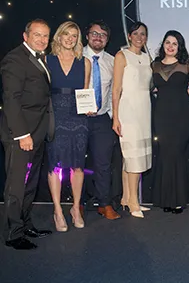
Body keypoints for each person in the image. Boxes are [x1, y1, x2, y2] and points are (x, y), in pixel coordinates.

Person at [0, 19, 54, 250]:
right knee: (16, 186)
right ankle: (13, 234)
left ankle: (25, 224)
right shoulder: (14, 59)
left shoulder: (40, 58)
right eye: (37, 35)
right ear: (25, 36)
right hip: (21, 134)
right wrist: (22, 134)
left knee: (30, 184)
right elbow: (11, 100)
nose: (42, 40)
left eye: (45, 36)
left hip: (38, 131)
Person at [151, 30, 189, 214]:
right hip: (161, 116)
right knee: (166, 155)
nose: (171, 46)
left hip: (182, 116)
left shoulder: (186, 65)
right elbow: (149, 88)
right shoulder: (154, 65)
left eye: (175, 43)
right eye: (168, 42)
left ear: (179, 46)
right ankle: (166, 199)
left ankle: (178, 200)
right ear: (163, 45)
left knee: (178, 155)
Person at [46, 21, 91, 232]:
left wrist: (89, 107)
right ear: (59, 36)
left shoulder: (85, 62)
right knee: (54, 163)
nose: (70, 39)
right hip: (54, 114)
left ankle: (75, 208)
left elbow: (85, 91)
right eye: (67, 34)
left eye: (74, 35)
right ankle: (57, 210)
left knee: (78, 165)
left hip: (78, 116)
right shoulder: (47, 60)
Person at [112, 22, 152, 218]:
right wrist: (116, 117)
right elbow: (116, 88)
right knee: (133, 156)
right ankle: (134, 202)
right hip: (128, 111)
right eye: (135, 33)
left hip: (144, 110)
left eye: (143, 34)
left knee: (131, 157)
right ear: (129, 36)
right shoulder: (121, 56)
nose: (139, 37)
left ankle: (126, 199)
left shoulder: (146, 58)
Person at [83, 20, 121, 220]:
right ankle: (78, 204)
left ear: (107, 39)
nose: (98, 37)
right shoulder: (74, 56)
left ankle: (104, 204)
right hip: (77, 119)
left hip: (102, 119)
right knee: (76, 164)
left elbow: (115, 92)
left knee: (104, 164)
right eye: (94, 33)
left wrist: (115, 117)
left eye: (102, 35)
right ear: (87, 35)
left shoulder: (112, 61)